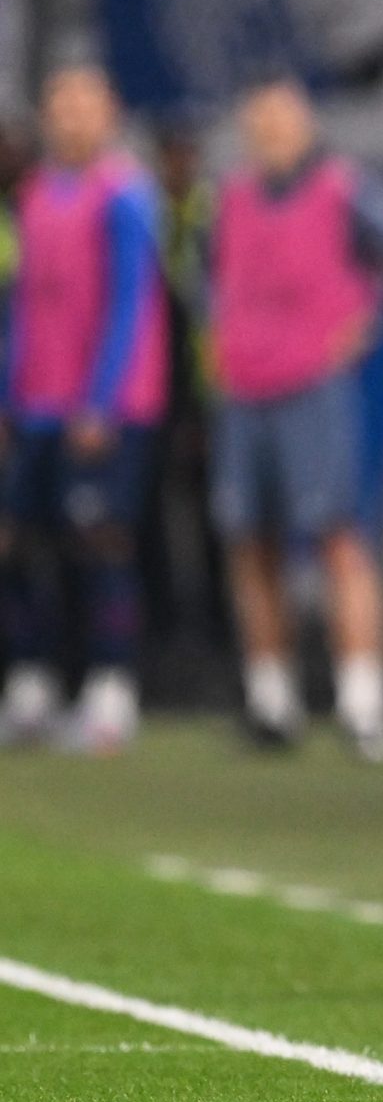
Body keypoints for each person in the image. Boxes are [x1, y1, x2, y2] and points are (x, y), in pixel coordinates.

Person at [209, 77, 383, 760]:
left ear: (306, 127)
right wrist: (220, 341)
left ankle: (363, 703)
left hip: (313, 388)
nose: (271, 137)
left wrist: (362, 325)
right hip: (245, 388)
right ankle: (271, 700)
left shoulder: (343, 190)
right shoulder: (232, 201)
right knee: (252, 545)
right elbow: (208, 281)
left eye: (283, 123)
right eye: (260, 125)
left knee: (341, 540)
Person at [0, 68, 168, 752]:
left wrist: (99, 401)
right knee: (21, 541)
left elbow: (131, 301)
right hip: (35, 405)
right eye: (59, 106)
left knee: (101, 542)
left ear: (110, 114)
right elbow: (23, 306)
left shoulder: (127, 194)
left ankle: (110, 688)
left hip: (105, 407)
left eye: (83, 106)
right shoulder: (33, 195)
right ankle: (32, 684)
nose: (70, 119)